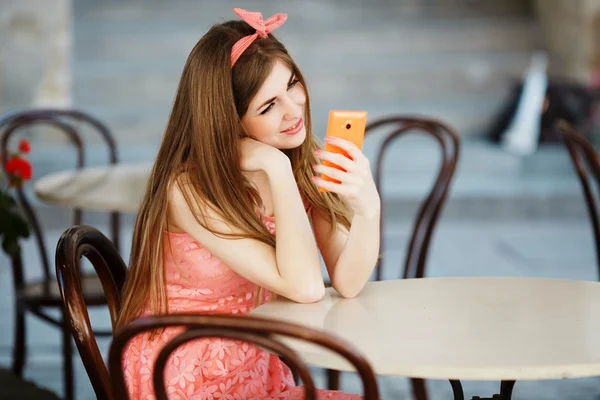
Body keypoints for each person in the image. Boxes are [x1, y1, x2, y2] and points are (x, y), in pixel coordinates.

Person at [116, 8, 381, 399]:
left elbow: (347, 280)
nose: (294, 109)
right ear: (230, 121)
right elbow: (307, 287)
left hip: (255, 354)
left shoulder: (301, 162)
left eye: (292, 84)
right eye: (268, 106)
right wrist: (276, 168)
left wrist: (368, 209)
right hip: (184, 367)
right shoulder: (189, 190)